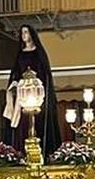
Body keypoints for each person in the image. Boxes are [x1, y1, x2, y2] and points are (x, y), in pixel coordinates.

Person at [4, 23, 59, 154]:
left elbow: (44, 73)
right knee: (21, 123)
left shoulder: (38, 53)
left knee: (36, 121)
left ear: (32, 34)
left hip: (35, 93)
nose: (24, 36)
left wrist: (35, 84)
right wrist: (14, 84)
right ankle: (21, 151)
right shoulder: (20, 54)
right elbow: (16, 73)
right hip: (22, 93)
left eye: (26, 32)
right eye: (22, 33)